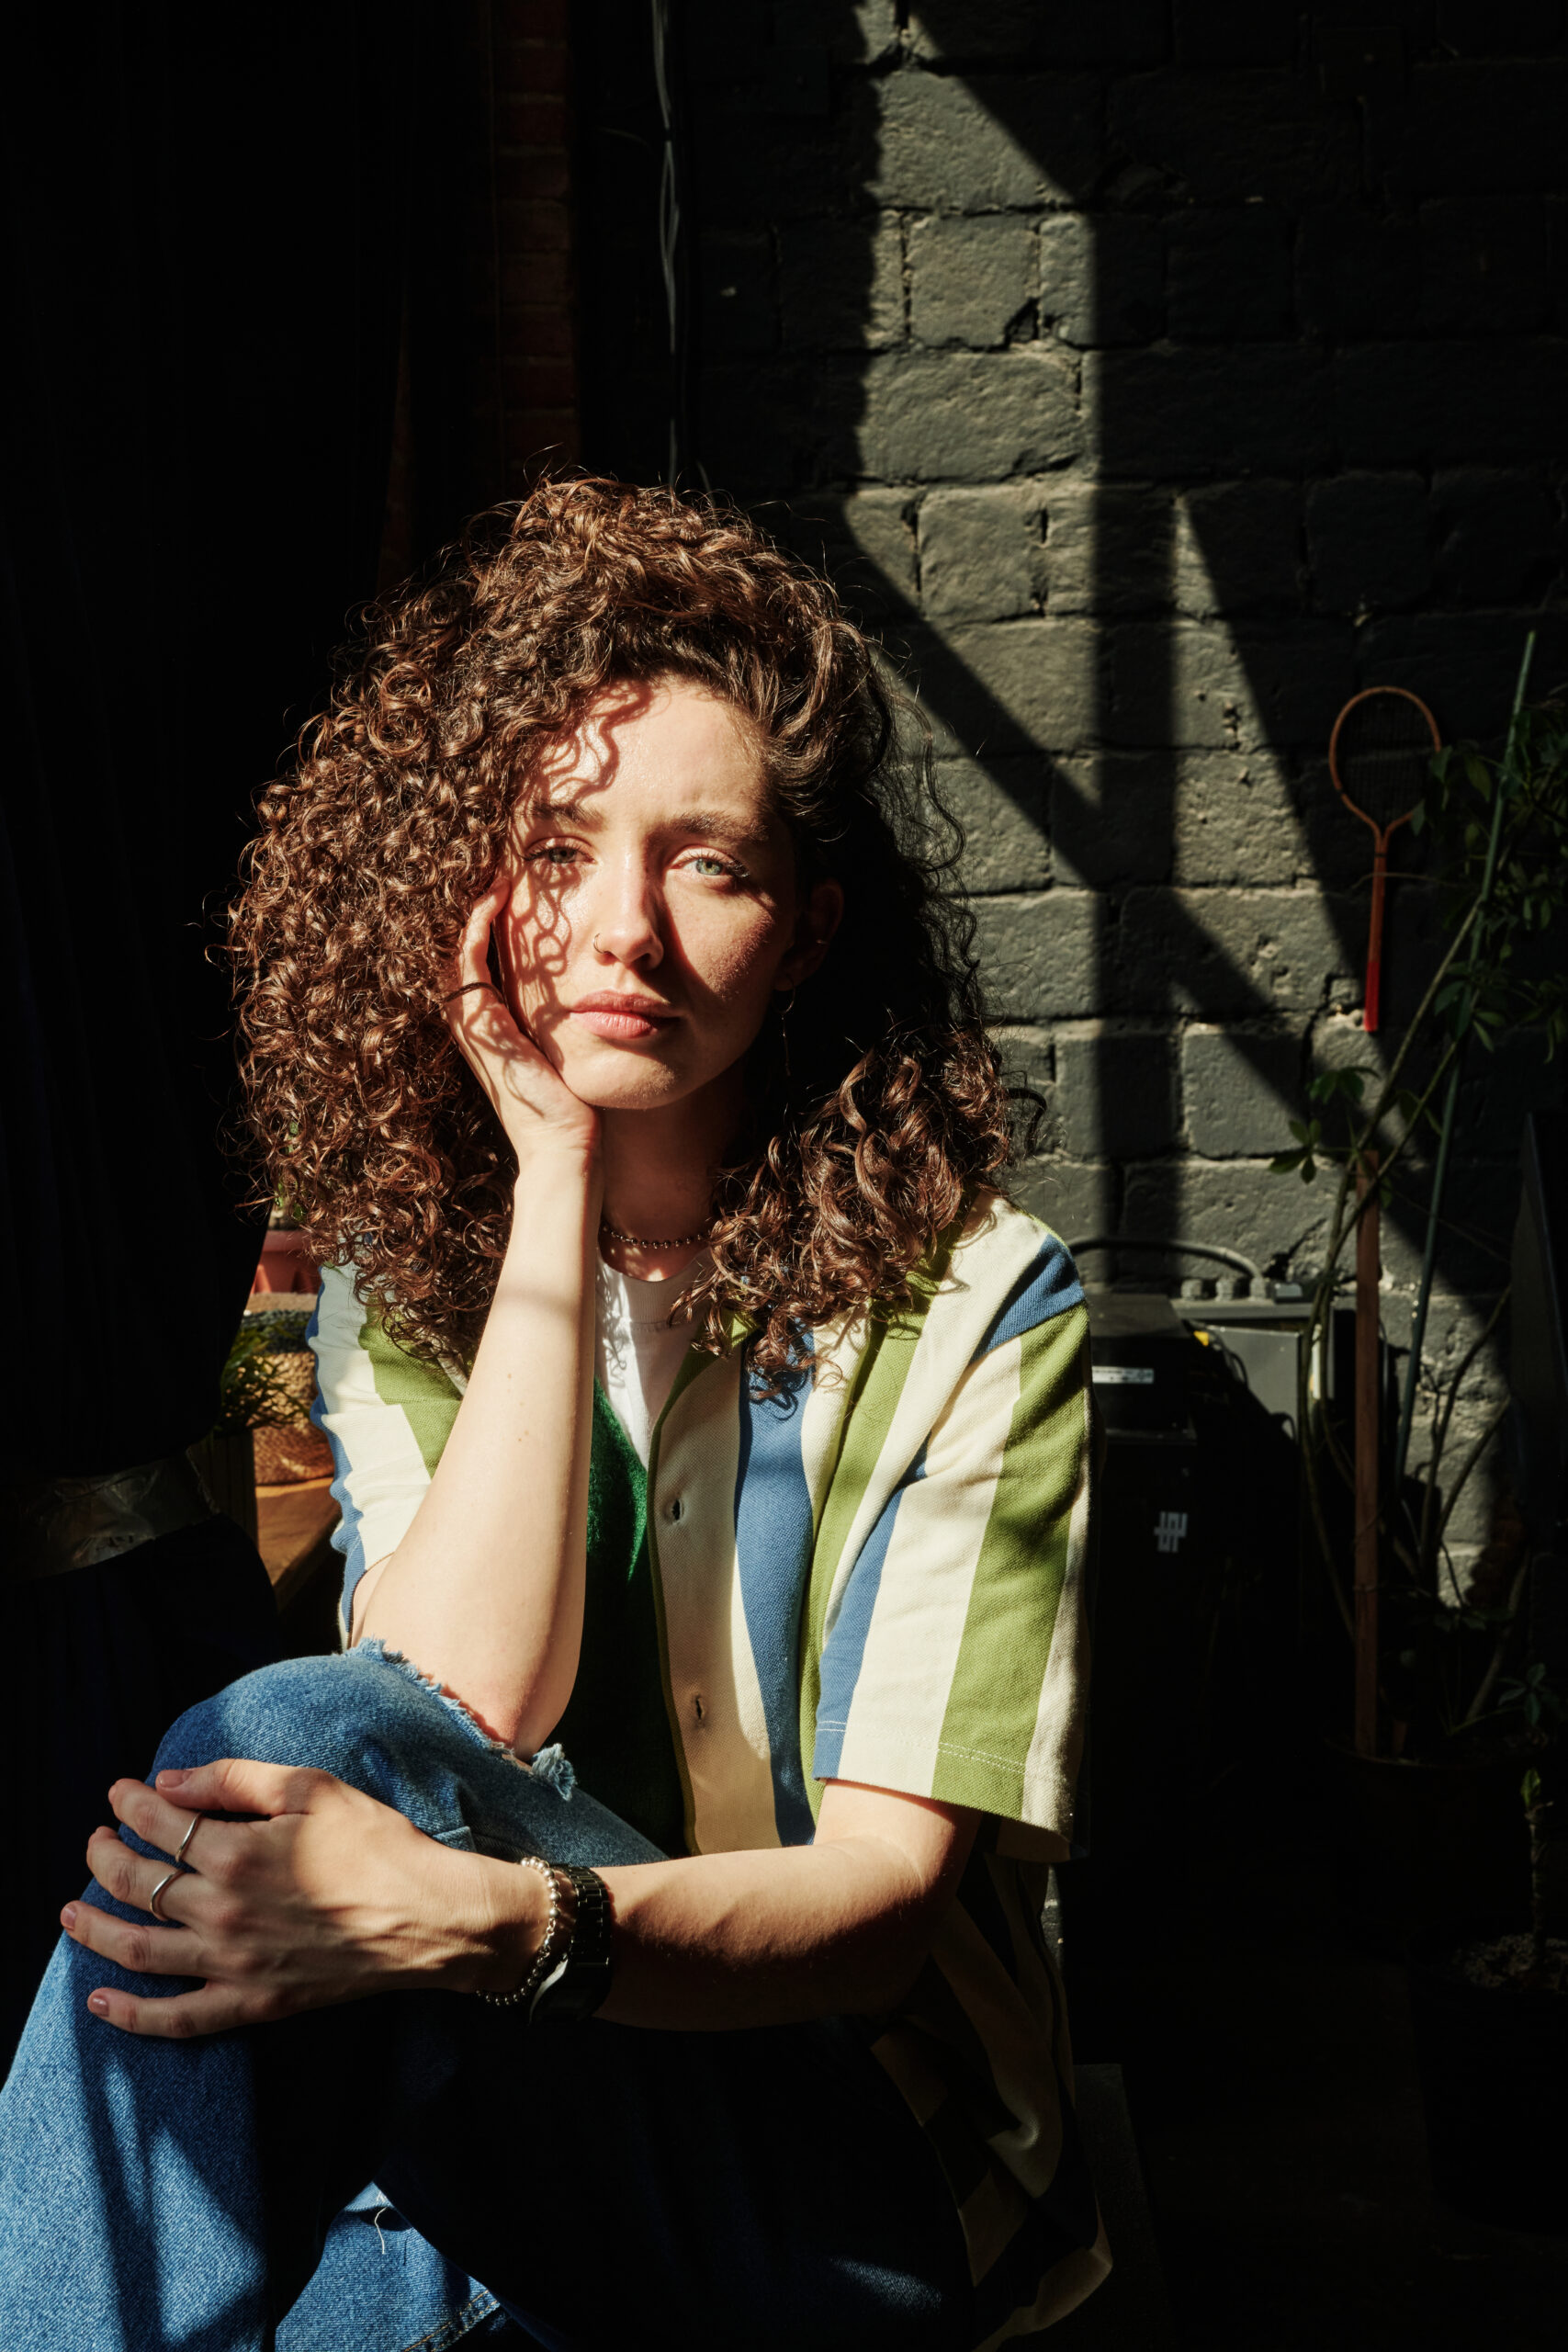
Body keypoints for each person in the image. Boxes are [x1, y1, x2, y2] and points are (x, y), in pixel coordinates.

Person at [0, 481, 1107, 2350]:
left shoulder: (976, 1299)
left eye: (710, 864)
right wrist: (547, 1182)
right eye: (558, 847)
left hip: (840, 2154)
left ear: (809, 921)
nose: (623, 930)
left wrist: (493, 1926)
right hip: (497, 2100)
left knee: (285, 1737)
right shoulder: (389, 1266)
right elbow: (459, 1695)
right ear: (464, 891)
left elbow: (879, 1904)